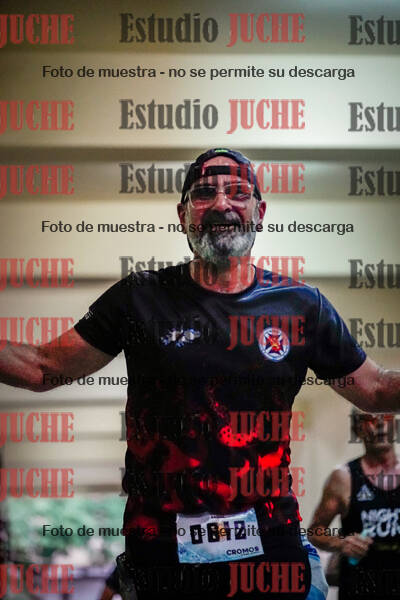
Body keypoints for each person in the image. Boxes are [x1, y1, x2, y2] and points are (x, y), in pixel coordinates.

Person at [0, 148, 399, 599]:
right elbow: (43, 368)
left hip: (270, 544)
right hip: (163, 551)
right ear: (183, 214)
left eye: (238, 192)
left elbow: (377, 390)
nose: (222, 203)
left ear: (259, 211)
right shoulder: (139, 298)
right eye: (205, 193)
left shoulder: (300, 307)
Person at [307, 409, 400, 599]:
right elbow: (314, 532)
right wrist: (341, 543)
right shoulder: (344, 477)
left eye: (386, 417)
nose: (380, 424)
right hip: (359, 587)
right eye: (371, 419)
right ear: (358, 429)